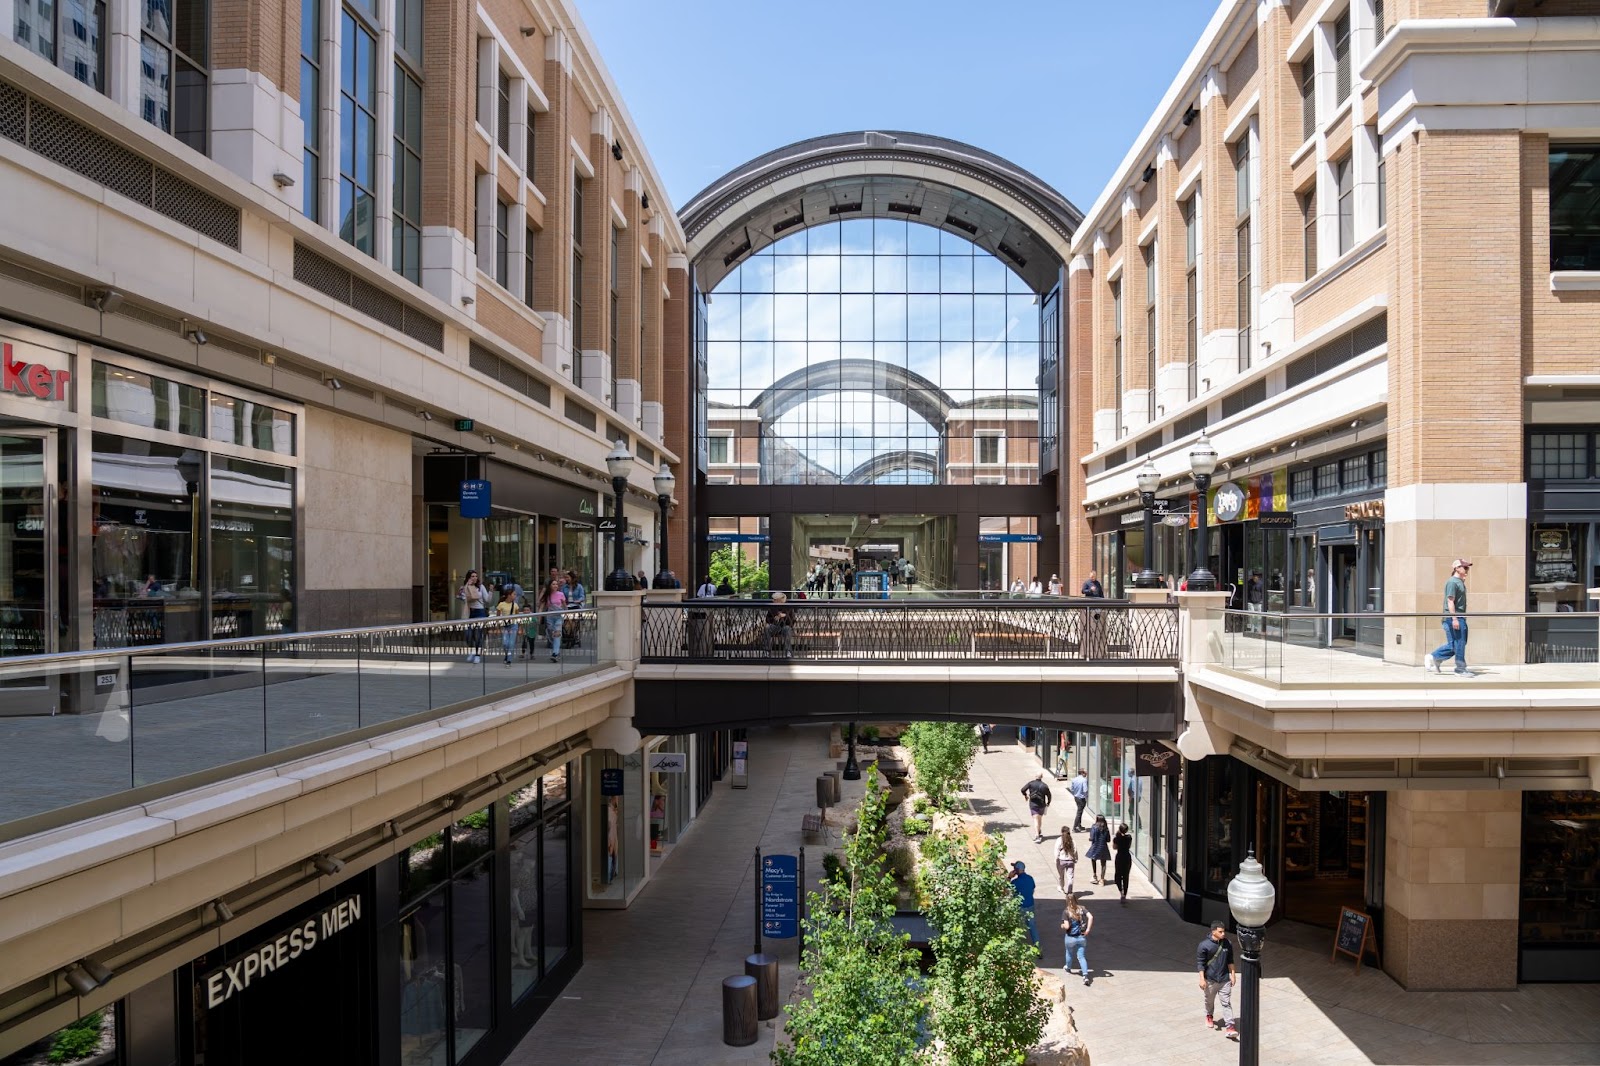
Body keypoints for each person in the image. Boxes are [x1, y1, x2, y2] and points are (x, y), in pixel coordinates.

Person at [1426, 558, 1472, 676]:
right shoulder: (1452, 582)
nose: (1467, 569)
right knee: (1460, 643)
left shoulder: (1458, 581)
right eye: (1464, 567)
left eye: (1467, 567)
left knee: (1455, 644)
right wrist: (1454, 618)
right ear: (1457, 568)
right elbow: (1450, 601)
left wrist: (1462, 580)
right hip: (1455, 617)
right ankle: (1460, 669)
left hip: (1456, 617)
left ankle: (1435, 657)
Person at [1197, 921, 1239, 1040]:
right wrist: (1202, 979)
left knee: (1226, 1003)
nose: (1223, 933)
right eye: (1220, 932)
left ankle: (1230, 1027)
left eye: (1223, 931)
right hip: (1210, 980)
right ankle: (1209, 1015)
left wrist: (1233, 974)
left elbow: (1230, 960)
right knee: (1209, 1001)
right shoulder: (1204, 945)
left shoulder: (1227, 943)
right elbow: (1200, 963)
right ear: (1213, 931)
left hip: (1224, 979)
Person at [457, 569, 490, 664]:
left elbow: (487, 599)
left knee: (478, 634)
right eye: (472, 576)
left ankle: (477, 655)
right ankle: (472, 650)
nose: (475, 578)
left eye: (476, 576)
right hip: (469, 613)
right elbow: (462, 597)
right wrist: (464, 591)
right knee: (468, 634)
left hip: (480, 612)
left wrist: (491, 591)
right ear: (468, 578)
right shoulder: (464, 588)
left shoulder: (480, 587)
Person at [1061, 894, 1094, 985]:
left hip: (1070, 937)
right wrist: (1087, 930)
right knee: (1081, 957)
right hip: (1081, 937)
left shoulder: (1066, 912)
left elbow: (1067, 926)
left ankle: (1068, 968)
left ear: (1067, 901)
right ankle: (1085, 975)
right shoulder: (1082, 908)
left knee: (1069, 953)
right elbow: (1090, 917)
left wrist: (1062, 925)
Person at [1008, 861, 1039, 944]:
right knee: (1032, 927)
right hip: (1030, 905)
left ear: (1017, 870)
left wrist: (1009, 877)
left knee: (1018, 928)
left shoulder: (1015, 882)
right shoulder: (1030, 878)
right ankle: (1038, 947)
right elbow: (1032, 889)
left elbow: (1005, 890)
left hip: (1020, 907)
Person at [536, 578, 566, 662]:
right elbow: (541, 606)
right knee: (551, 634)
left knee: (557, 634)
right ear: (549, 586)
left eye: (556, 584)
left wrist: (567, 615)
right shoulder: (547, 595)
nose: (555, 586)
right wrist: (539, 616)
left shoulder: (561, 594)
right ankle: (556, 649)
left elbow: (564, 606)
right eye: (553, 584)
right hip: (550, 617)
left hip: (559, 616)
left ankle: (555, 653)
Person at [1021, 772, 1052, 843]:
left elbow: (1023, 789)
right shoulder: (1044, 786)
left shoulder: (1031, 783)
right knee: (1040, 818)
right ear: (1042, 777)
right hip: (1042, 805)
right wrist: (1048, 803)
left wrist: (1025, 795)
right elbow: (1049, 795)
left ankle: (1037, 835)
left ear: (1035, 776)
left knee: (1035, 819)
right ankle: (1039, 830)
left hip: (1033, 804)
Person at [494, 587, 522, 664]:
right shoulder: (501, 604)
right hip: (505, 626)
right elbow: (498, 617)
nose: (515, 596)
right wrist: (497, 628)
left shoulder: (515, 605)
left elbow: (518, 617)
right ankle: (507, 655)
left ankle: (509, 659)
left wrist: (520, 627)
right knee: (505, 643)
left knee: (511, 643)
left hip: (513, 625)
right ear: (509, 595)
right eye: (514, 594)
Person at [763, 592, 795, 656]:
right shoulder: (772, 607)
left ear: (780, 600)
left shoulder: (788, 607)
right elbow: (767, 619)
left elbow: (792, 621)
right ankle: (767, 651)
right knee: (767, 628)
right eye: (773, 599)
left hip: (785, 626)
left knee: (788, 629)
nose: (773, 601)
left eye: (775, 599)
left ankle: (788, 651)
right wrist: (775, 618)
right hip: (775, 626)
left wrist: (784, 617)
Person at [1085, 814, 1112, 885]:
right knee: (1103, 863)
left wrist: (1090, 839)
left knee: (1093, 859)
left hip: (1095, 846)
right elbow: (1108, 839)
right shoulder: (1106, 828)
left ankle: (1094, 875)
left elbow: (1092, 838)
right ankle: (1102, 879)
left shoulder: (1094, 827)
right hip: (1103, 847)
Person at [1112, 823, 1133, 903]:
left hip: (1119, 857)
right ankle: (1125, 894)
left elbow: (1114, 847)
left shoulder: (1117, 838)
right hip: (1127, 857)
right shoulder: (1129, 838)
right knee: (1125, 876)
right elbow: (1129, 846)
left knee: (1118, 875)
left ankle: (1121, 892)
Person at [1053, 826, 1078, 895]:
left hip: (1061, 860)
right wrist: (1075, 859)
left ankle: (1061, 887)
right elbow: (1075, 850)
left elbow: (1056, 851)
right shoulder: (1072, 841)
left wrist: (1056, 859)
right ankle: (1070, 891)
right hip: (1070, 861)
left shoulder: (1059, 840)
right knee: (1070, 876)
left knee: (1061, 876)